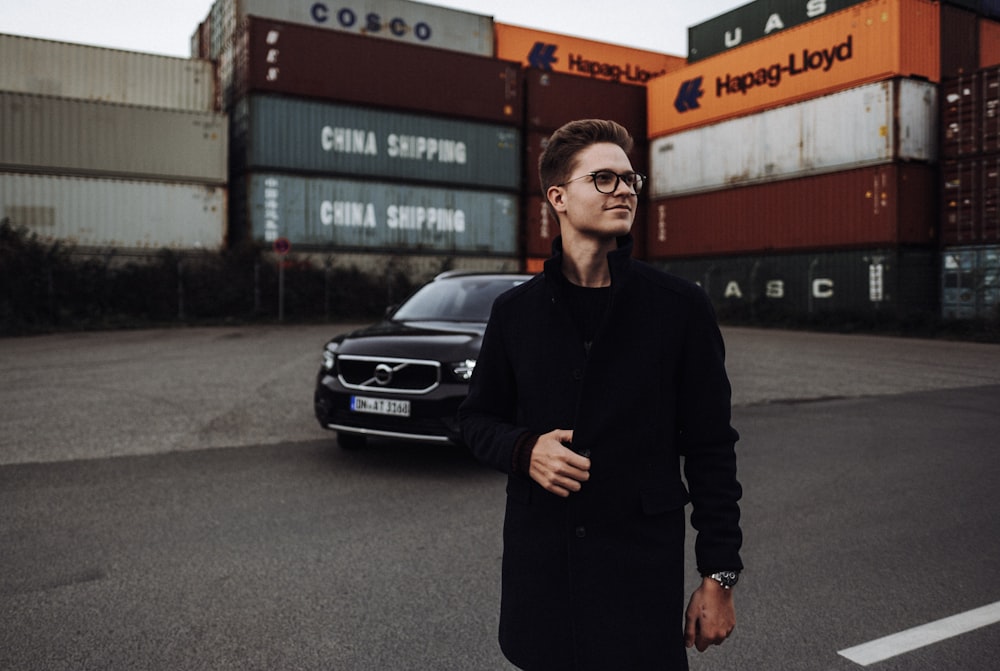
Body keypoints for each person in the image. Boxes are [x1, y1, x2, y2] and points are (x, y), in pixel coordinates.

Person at [458, 119, 743, 670]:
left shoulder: (679, 307)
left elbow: (711, 448)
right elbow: (476, 420)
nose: (624, 190)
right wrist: (525, 450)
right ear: (558, 197)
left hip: (639, 578)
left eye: (630, 179)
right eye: (604, 179)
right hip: (543, 577)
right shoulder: (516, 313)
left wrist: (719, 577)